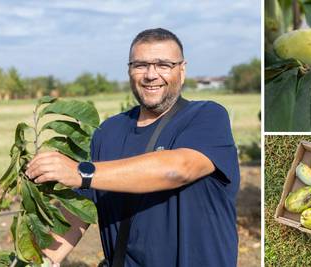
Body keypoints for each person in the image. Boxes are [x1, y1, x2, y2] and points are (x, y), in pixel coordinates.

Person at [26, 28, 240, 267]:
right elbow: (80, 208)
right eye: (140, 65)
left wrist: (81, 172)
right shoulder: (108, 131)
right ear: (129, 70)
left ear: (182, 69)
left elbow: (179, 168)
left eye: (163, 65)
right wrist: (42, 259)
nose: (151, 74)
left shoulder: (206, 116)